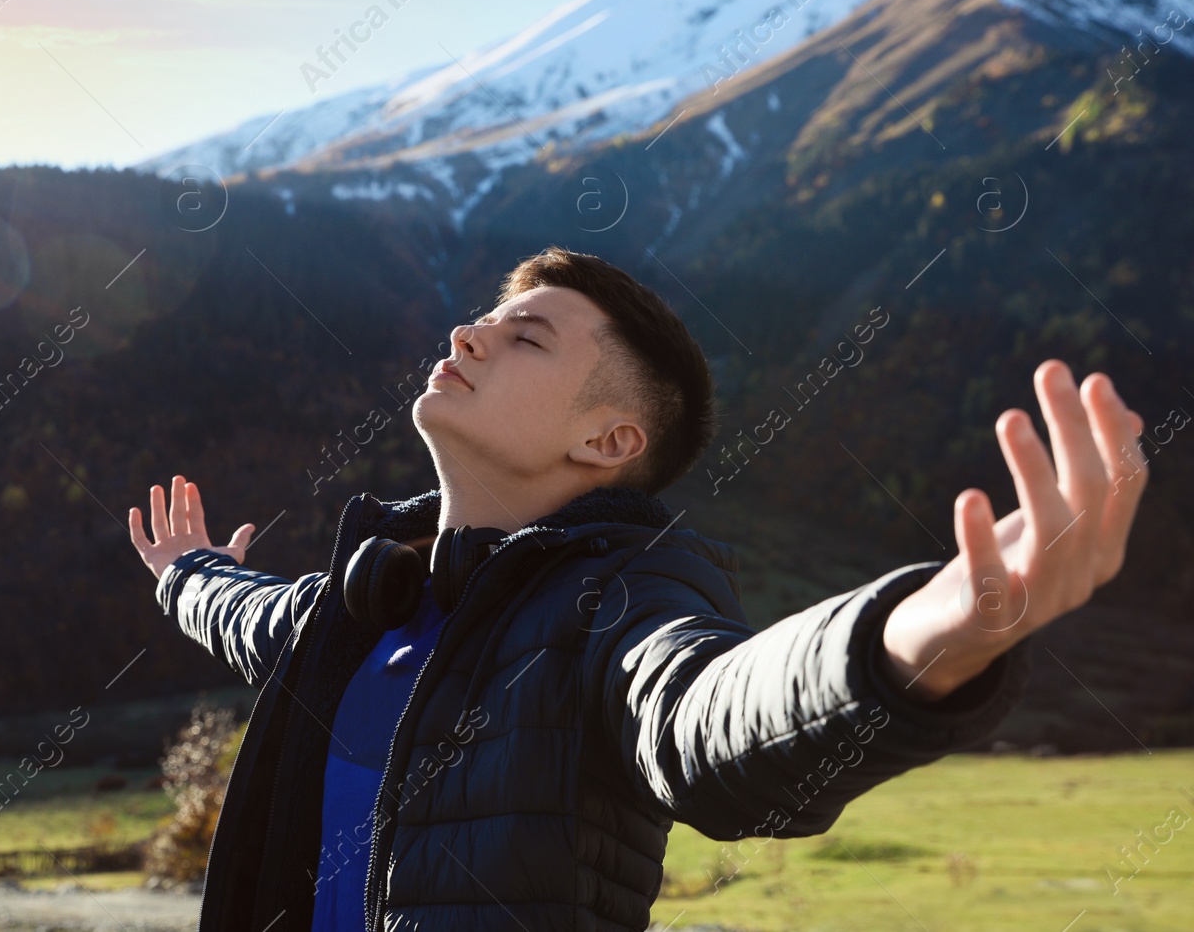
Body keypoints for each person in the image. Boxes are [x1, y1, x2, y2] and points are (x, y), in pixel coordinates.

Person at [127, 246, 1149, 931]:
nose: (468, 336)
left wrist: (925, 630)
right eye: (485, 317)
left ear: (607, 439)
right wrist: (187, 573)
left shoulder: (615, 606)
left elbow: (708, 712)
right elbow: (245, 610)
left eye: (524, 336)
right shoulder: (356, 605)